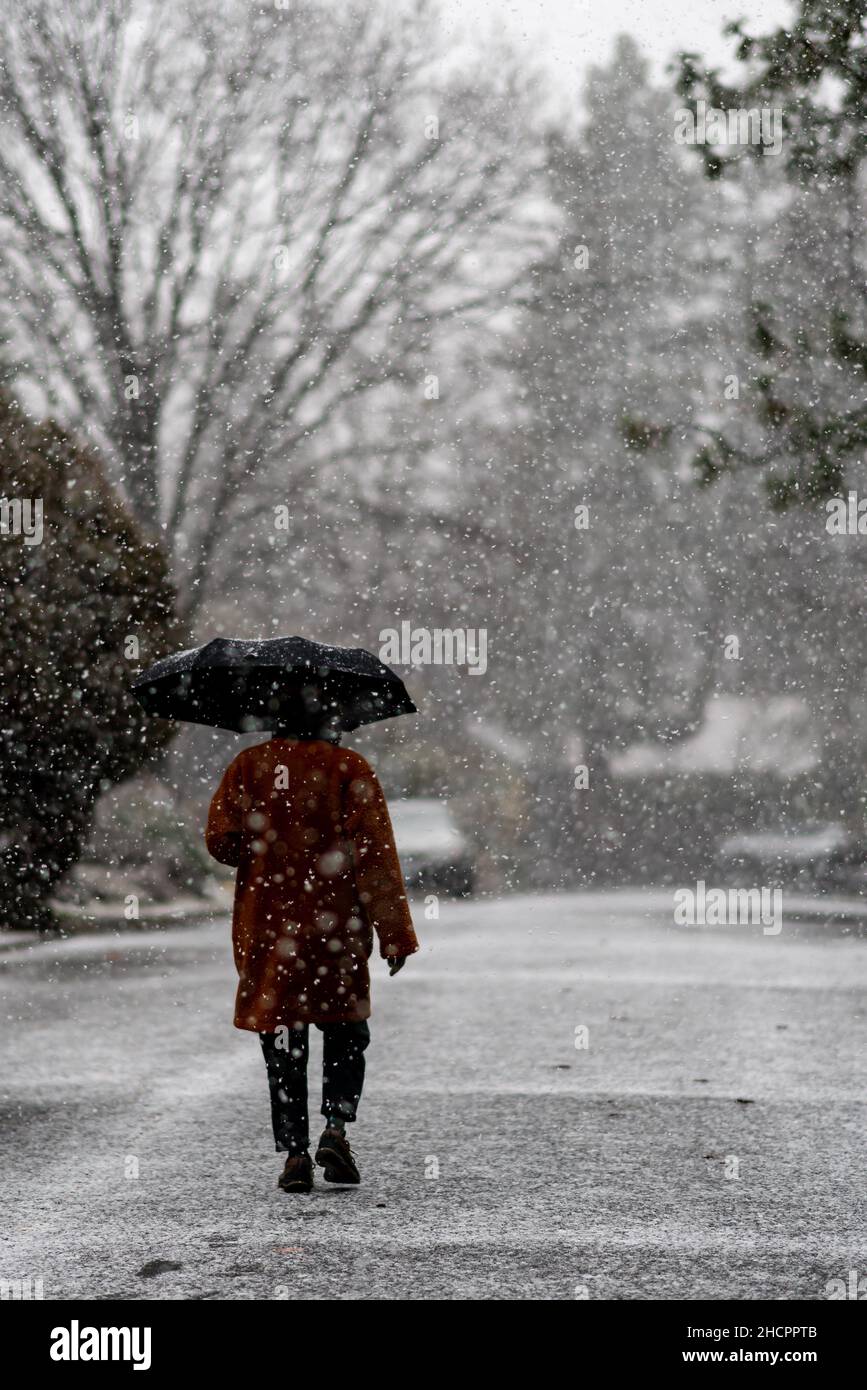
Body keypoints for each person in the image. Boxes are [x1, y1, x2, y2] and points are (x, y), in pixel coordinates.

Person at [205, 724, 419, 1193]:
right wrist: (395, 934)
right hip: (334, 931)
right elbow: (375, 855)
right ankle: (335, 1129)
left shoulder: (248, 766)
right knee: (345, 1031)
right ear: (335, 717)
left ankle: (295, 1154)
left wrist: (263, 834)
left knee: (282, 1041)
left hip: (269, 931)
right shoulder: (350, 768)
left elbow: (221, 842)